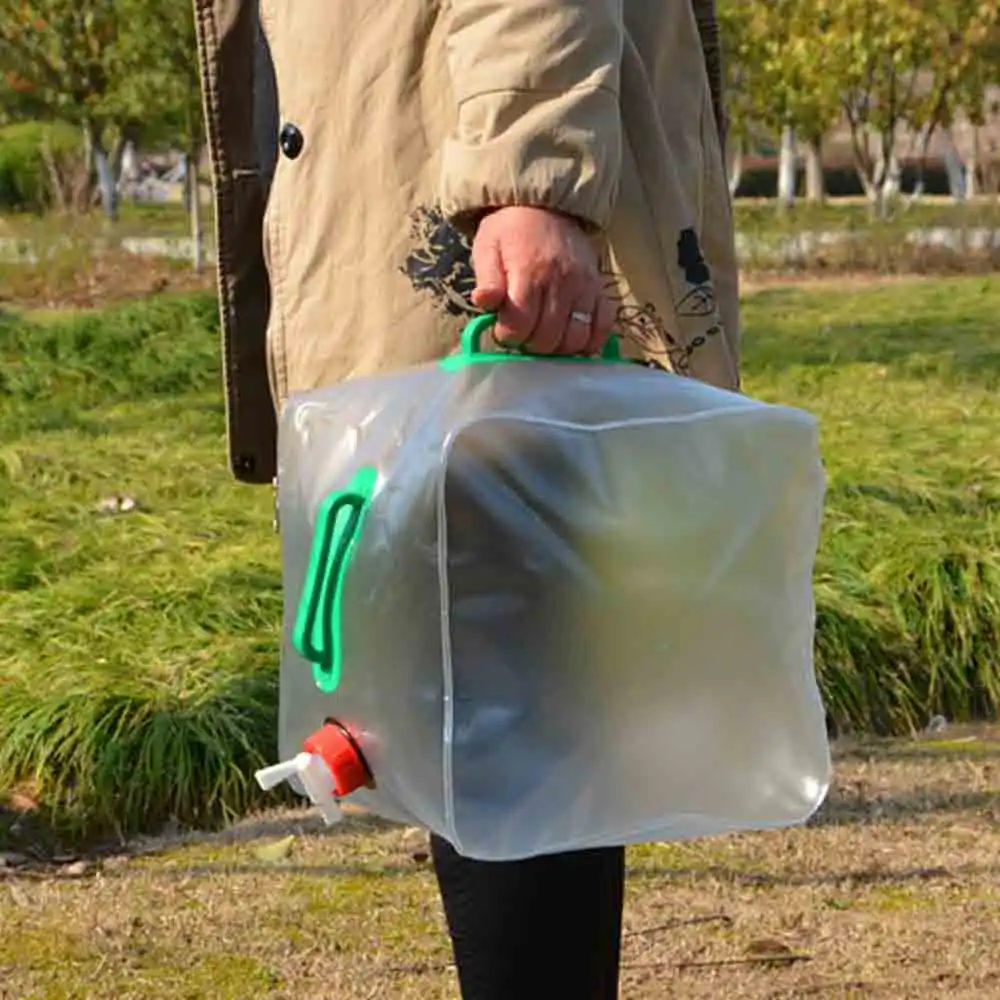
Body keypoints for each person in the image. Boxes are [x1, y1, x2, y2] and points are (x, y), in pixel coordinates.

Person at [194, 1, 739, 996]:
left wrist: (527, 175)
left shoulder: (514, 180)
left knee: (503, 680)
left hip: (474, 193)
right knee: (469, 686)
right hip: (412, 169)